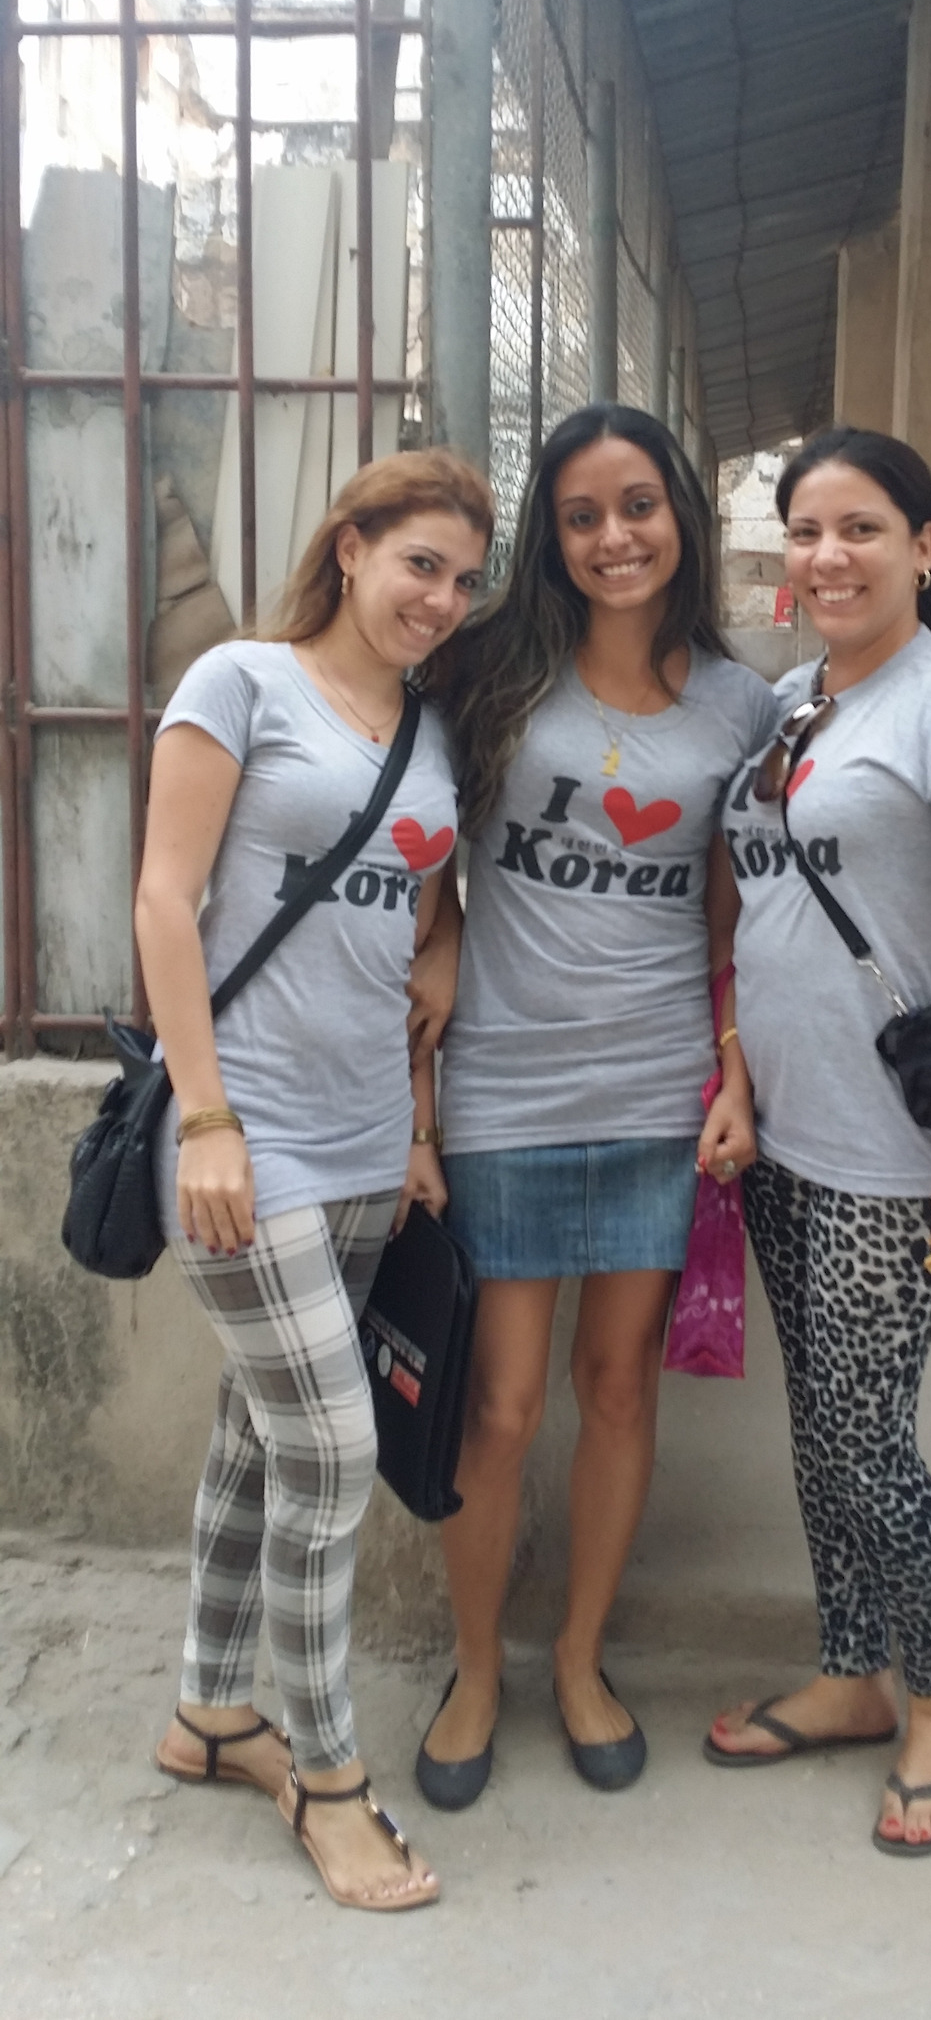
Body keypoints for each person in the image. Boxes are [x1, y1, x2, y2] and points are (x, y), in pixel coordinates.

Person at [139, 451, 492, 1912]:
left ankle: (210, 1710)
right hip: (249, 1138)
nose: (442, 600)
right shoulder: (240, 683)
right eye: (420, 565)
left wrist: (417, 1119)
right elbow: (165, 899)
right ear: (350, 549)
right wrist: (206, 1117)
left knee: (258, 1434)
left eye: (464, 581)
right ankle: (329, 1779)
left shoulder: (430, 732)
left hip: (365, 1140)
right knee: (337, 1456)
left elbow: (417, 914)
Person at [411, 403, 777, 1808]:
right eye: (580, 516)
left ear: (680, 514)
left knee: (618, 1387)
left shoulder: (739, 708)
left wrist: (734, 1068)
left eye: (637, 506)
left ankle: (578, 1659)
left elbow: (730, 917)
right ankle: (475, 1668)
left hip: (655, 1091)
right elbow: (421, 838)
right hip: (505, 1084)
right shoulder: (490, 669)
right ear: (549, 537)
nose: (613, 537)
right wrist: (442, 940)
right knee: (499, 1409)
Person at [703, 427, 931, 1857]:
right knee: (823, 1425)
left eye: (861, 528)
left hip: (890, 1152)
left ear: (925, 545)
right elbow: (756, 906)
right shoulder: (795, 703)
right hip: (784, 1135)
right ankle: (853, 1673)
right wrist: (736, 1074)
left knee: (867, 1439)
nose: (829, 555)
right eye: (806, 530)